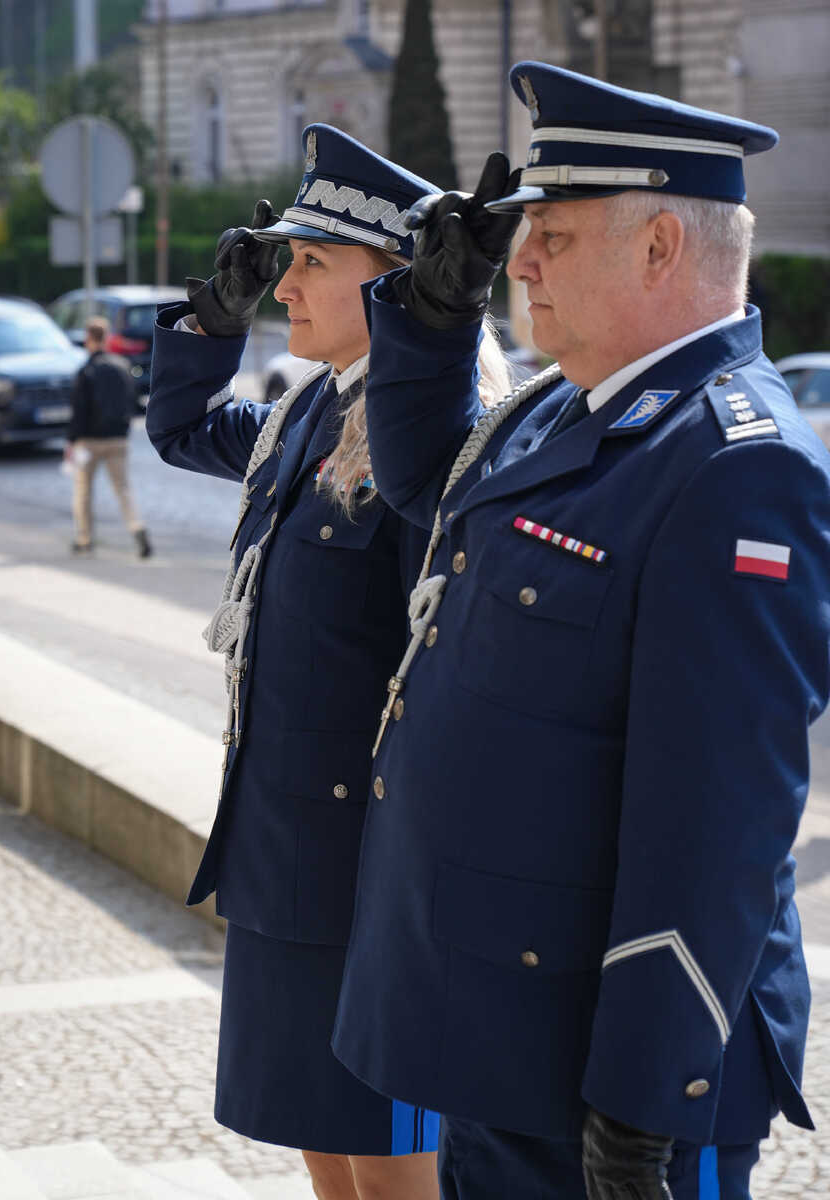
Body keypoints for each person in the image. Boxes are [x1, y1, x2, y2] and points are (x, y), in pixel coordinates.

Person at [330, 63, 830, 1199]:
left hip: (605, 1072)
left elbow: (719, 822)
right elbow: (423, 486)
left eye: (552, 231)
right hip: (497, 1033)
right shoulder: (566, 403)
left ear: (659, 248)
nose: (522, 260)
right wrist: (430, 317)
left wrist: (645, 1098)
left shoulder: (735, 468)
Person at [146, 124, 514, 1200]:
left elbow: (450, 675)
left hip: (369, 863)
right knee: (312, 1129)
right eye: (286, 261)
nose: (288, 284)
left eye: (313, 263)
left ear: (400, 283)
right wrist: (217, 319)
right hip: (286, 847)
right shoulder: (312, 411)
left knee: (389, 1154)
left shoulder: (444, 438)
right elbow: (182, 430)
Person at [65, 315, 152, 557]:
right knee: (123, 489)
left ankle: (84, 539)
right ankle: (137, 529)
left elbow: (79, 410)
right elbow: (133, 402)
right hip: (117, 439)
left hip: (89, 442)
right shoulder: (122, 366)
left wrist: (72, 441)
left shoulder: (86, 371)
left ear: (88, 339)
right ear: (106, 337)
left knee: (83, 491)